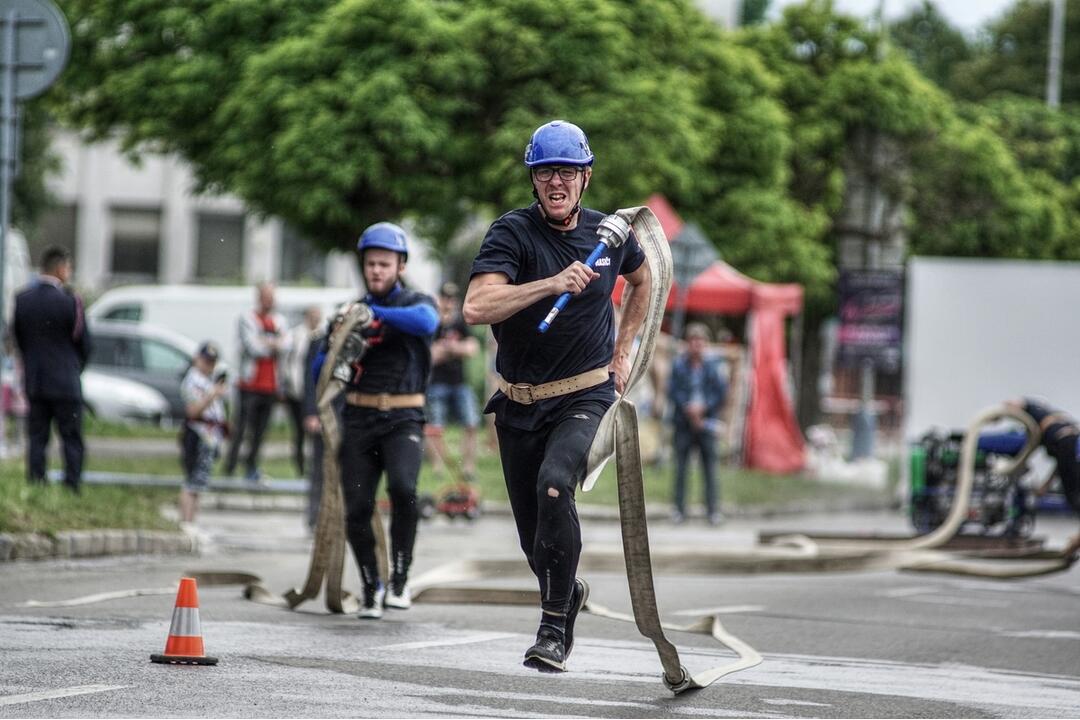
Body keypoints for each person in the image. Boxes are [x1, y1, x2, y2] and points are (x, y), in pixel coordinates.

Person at [463, 119, 651, 672]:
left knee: (554, 486)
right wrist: (550, 284)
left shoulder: (609, 235)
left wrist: (623, 353)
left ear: (585, 177)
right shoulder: (511, 233)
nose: (556, 182)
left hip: (585, 396)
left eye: (567, 172)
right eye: (545, 172)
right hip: (519, 401)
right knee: (531, 540)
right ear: (533, 178)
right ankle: (566, 593)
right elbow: (476, 309)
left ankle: (551, 631)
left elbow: (645, 281)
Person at [318, 221, 438, 619]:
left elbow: (427, 324)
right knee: (356, 508)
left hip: (403, 417)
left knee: (404, 490)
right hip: (358, 417)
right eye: (371, 264)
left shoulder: (414, 303)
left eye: (385, 264)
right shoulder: (350, 312)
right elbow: (321, 366)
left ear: (400, 265)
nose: (377, 270)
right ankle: (371, 587)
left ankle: (399, 581)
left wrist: (374, 316)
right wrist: (338, 334)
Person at [12, 246, 91, 493]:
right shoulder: (71, 301)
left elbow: (19, 339)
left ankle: (37, 483)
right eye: (68, 268)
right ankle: (72, 485)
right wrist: (75, 368)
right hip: (66, 381)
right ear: (59, 269)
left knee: (37, 437)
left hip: (36, 381)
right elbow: (84, 343)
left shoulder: (22, 300)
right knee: (71, 437)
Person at [223, 282, 291, 483]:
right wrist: (274, 343)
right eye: (266, 296)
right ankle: (230, 467)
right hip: (249, 384)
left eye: (273, 296)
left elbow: (287, 345)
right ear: (259, 297)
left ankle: (251, 467)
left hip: (270, 386)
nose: (270, 300)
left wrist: (267, 342)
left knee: (260, 432)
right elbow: (254, 348)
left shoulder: (279, 320)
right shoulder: (247, 319)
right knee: (241, 429)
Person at [668, 323, 728, 526]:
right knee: (681, 468)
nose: (697, 346)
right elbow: (673, 391)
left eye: (700, 342)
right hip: (684, 423)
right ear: (687, 344)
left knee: (710, 468)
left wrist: (703, 407)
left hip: (706, 422)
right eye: (693, 341)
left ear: (706, 344)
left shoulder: (713, 366)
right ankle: (679, 509)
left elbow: (720, 392)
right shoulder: (679, 365)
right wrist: (688, 407)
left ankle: (712, 511)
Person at [1005, 398, 1080, 557]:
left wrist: (1001, 412)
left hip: (1068, 445)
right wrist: (1046, 485)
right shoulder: (1058, 420)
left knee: (1075, 498)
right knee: (1073, 497)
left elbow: (1017, 403)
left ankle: (1075, 542)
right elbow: (1061, 465)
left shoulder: (1035, 412)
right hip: (1073, 447)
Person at [425, 281, 481, 482]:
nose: (449, 302)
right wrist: (456, 349)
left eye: (452, 298)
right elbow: (429, 355)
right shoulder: (432, 323)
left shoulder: (460, 322)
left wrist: (448, 349)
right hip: (436, 383)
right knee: (434, 428)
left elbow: (472, 348)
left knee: (472, 424)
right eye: (445, 298)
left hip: (459, 382)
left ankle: (468, 467)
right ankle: (438, 467)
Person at [179, 342, 228, 529]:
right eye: (206, 361)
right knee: (191, 482)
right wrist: (212, 395)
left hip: (209, 436)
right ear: (197, 359)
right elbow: (193, 411)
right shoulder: (192, 381)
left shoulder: (207, 380)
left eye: (212, 362)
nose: (209, 365)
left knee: (198, 484)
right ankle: (186, 524)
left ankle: (192, 523)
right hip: (196, 434)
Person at [282, 305, 323, 477]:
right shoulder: (296, 335)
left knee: (315, 434)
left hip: (313, 393)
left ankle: (313, 468)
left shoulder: (322, 337)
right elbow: (288, 361)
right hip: (295, 391)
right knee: (298, 432)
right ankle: (300, 467)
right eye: (312, 315)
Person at [302, 317, 329, 533]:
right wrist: (311, 412)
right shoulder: (320, 341)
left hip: (350, 415)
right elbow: (309, 379)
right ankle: (314, 517)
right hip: (323, 412)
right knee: (319, 467)